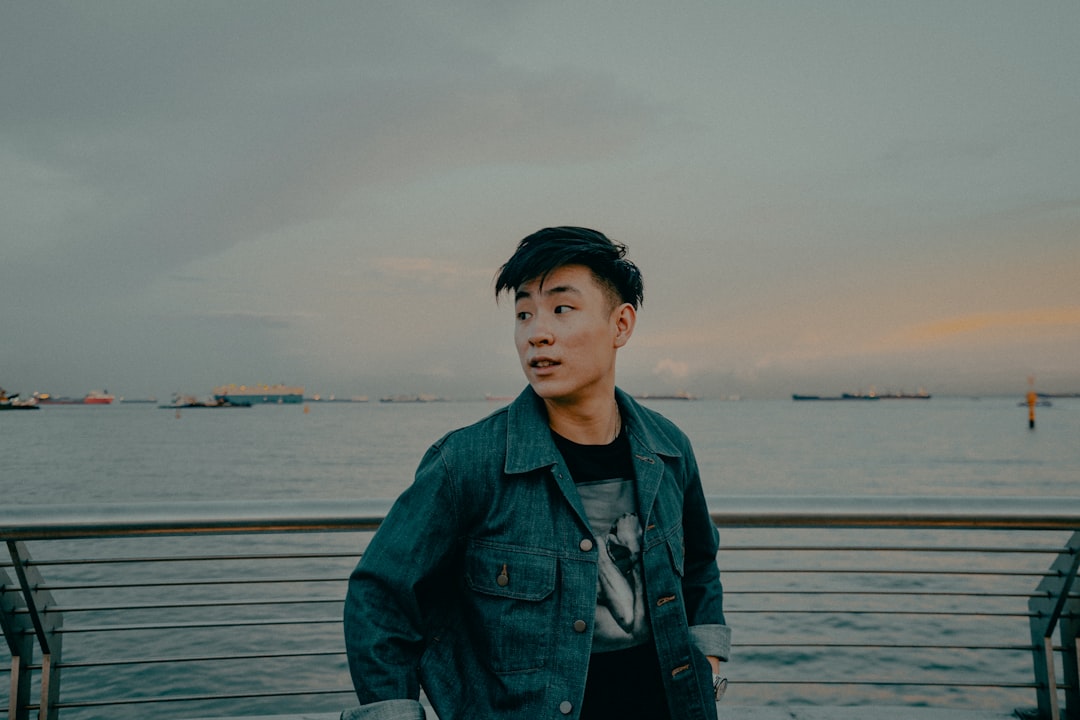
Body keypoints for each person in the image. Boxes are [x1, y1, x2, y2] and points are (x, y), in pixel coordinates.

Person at [342, 227, 729, 720]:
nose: (535, 332)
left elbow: (699, 562)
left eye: (561, 309)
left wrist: (709, 658)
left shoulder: (669, 449)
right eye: (524, 313)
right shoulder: (468, 463)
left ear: (621, 325)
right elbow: (381, 596)